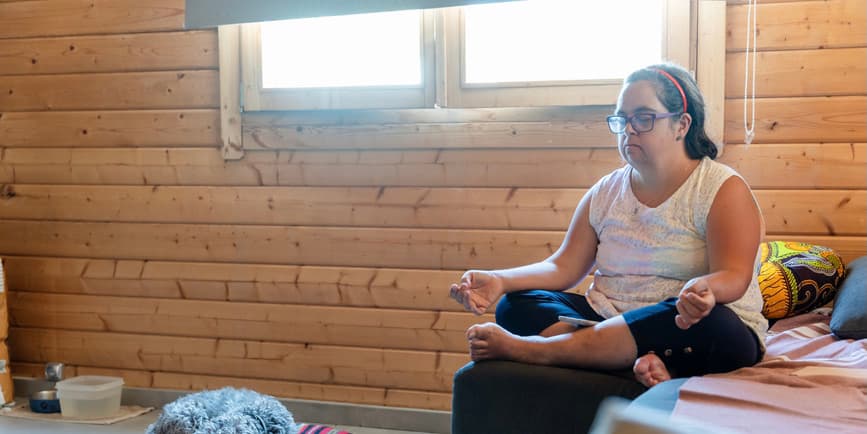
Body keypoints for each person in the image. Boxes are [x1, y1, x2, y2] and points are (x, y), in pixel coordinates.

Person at [448, 63, 768, 387]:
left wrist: (705, 290)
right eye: (622, 119)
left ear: (681, 125)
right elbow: (563, 266)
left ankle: (544, 351)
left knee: (715, 327)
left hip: (684, 323)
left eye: (643, 118)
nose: (629, 129)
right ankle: (625, 358)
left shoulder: (722, 188)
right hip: (608, 316)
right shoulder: (605, 192)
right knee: (517, 305)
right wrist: (500, 281)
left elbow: (735, 276)